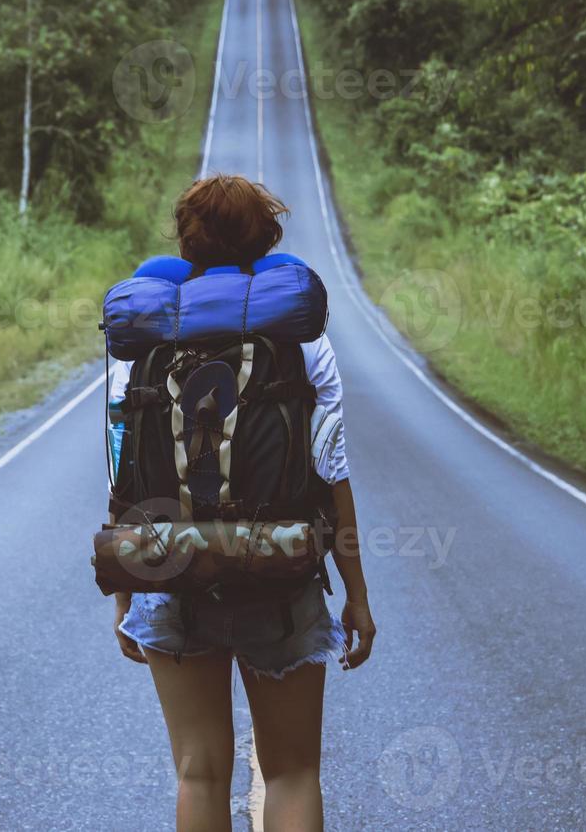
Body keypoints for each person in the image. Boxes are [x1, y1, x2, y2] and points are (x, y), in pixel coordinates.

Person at [108, 174, 377, 832]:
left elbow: (124, 470)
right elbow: (330, 469)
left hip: (170, 574)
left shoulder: (143, 341)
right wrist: (357, 597)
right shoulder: (301, 339)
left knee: (198, 774)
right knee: (291, 773)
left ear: (186, 242)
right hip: (278, 576)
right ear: (269, 239)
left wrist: (125, 592)